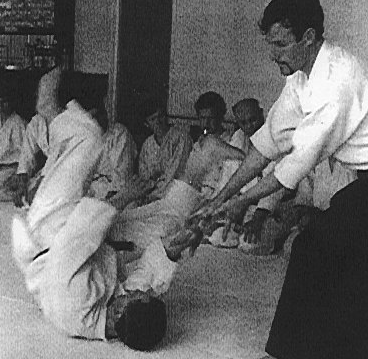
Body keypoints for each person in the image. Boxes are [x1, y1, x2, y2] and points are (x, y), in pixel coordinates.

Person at [193, 0, 368, 359]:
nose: (273, 54)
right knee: (313, 243)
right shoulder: (300, 78)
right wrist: (221, 198)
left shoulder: (338, 80)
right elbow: (266, 144)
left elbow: (294, 166)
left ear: (308, 37)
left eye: (281, 44)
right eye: (270, 44)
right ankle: (290, 352)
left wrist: (236, 204)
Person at [11, 70, 166, 351]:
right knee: (75, 153)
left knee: (89, 139)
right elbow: (137, 276)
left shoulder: (77, 303)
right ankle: (56, 138)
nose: (136, 292)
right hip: (54, 233)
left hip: (49, 231)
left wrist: (124, 198)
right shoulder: (102, 314)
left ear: (120, 312)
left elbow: (75, 239)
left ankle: (48, 108)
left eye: (137, 297)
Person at [108, 132, 246, 309]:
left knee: (168, 218)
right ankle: (211, 159)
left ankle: (211, 158)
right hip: (111, 238)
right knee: (168, 217)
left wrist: (122, 198)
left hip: (104, 232)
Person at [208, 98, 287, 255]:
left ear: (262, 114)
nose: (250, 126)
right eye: (244, 123)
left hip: (268, 209)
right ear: (238, 123)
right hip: (243, 207)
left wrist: (258, 219)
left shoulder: (276, 136)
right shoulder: (238, 138)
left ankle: (279, 236)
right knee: (218, 237)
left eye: (253, 119)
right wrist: (218, 211)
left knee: (249, 245)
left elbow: (276, 185)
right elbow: (228, 178)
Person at [137, 97, 193, 203]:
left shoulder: (180, 137)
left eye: (161, 116)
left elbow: (176, 173)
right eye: (152, 119)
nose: (158, 122)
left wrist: (154, 193)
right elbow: (144, 177)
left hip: (173, 195)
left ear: (166, 117)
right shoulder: (147, 145)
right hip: (150, 197)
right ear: (147, 124)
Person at [88, 94, 138, 200]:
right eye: (92, 117)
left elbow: (122, 177)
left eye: (99, 114)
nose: (96, 120)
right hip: (90, 195)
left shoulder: (119, 134)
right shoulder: (88, 138)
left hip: (115, 195)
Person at [0, 88, 26, 203]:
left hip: (10, 169)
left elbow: (24, 154)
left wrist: (19, 174)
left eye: (4, 102)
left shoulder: (17, 122)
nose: (1, 106)